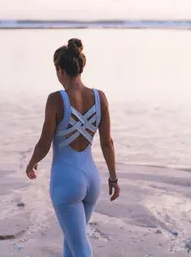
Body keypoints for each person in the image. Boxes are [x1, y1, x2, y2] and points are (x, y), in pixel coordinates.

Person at [25, 38, 120, 257]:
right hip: (92, 180)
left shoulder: (56, 100)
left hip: (66, 181)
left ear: (60, 70)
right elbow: (107, 143)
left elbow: (44, 143)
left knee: (79, 246)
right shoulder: (100, 97)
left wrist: (32, 163)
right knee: (72, 241)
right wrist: (113, 179)